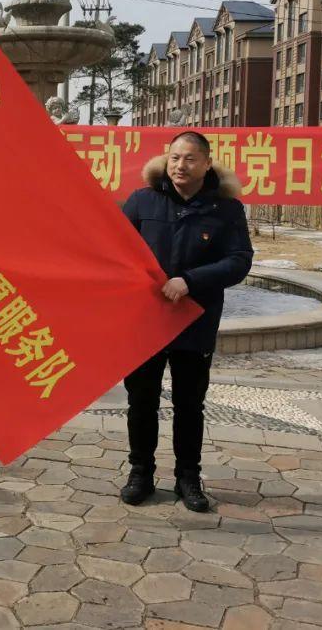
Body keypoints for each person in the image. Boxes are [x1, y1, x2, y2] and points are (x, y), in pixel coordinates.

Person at [119, 131, 252, 513]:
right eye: (175, 157)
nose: (181, 165)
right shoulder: (144, 201)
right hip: (145, 323)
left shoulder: (225, 209)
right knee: (141, 401)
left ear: (207, 163)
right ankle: (140, 472)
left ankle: (188, 478)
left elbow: (240, 260)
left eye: (190, 158)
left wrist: (189, 281)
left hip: (195, 322)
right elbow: (116, 251)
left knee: (189, 404)